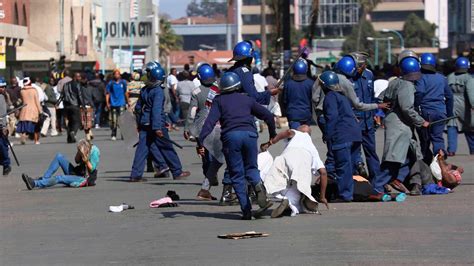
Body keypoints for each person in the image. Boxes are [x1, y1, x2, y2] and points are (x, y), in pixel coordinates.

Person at [199, 72, 275, 220]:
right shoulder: (247, 99)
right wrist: (272, 133)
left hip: (231, 137)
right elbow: (268, 116)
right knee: (252, 168)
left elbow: (209, 122)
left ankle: (246, 211)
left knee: (237, 174)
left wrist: (200, 140)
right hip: (250, 136)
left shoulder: (219, 100)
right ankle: (257, 185)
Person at [371, 50, 430, 199]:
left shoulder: (395, 82)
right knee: (393, 160)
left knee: (411, 156)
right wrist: (421, 121)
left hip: (396, 123)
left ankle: (396, 180)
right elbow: (407, 108)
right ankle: (377, 187)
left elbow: (381, 99)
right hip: (400, 126)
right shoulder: (407, 86)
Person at [129, 61, 190, 182]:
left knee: (142, 149)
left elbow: (137, 108)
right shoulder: (158, 91)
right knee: (167, 148)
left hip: (145, 124)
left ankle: (135, 175)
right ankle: (177, 171)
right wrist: (157, 128)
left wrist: (139, 123)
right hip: (156, 124)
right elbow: (156, 110)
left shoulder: (144, 89)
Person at [336, 52, 385, 181]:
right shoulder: (346, 78)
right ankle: (353, 182)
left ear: (363, 66)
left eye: (359, 67)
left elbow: (371, 96)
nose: (356, 70)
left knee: (371, 153)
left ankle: (377, 183)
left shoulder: (369, 75)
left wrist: (376, 114)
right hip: (353, 121)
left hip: (368, 121)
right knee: (352, 153)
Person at [260, 125, 328, 218]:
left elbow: (287, 132)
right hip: (304, 162)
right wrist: (322, 197)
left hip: (287, 156)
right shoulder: (313, 149)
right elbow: (323, 173)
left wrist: (271, 142)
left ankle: (270, 195)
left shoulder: (297, 133)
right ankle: (292, 204)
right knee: (298, 188)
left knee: (276, 179)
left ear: (299, 130)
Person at [321, 71, 362, 202]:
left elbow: (332, 117)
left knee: (343, 166)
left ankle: (345, 195)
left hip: (342, 136)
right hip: (355, 135)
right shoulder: (342, 96)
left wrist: (327, 134)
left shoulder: (330, 97)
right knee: (349, 166)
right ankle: (350, 192)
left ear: (324, 85)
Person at [415, 53, 454, 163]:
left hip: (425, 113)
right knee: (438, 138)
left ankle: (427, 163)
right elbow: (449, 96)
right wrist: (449, 114)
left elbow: (420, 92)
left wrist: (415, 106)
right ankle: (440, 158)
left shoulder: (419, 77)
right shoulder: (442, 78)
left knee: (425, 140)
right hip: (441, 112)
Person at [21, 139, 99, 190]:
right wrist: (79, 154)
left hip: (84, 179)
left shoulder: (94, 151)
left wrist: (86, 160)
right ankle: (45, 179)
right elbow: (76, 161)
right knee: (59, 157)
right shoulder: (83, 149)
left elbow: (92, 169)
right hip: (77, 172)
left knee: (59, 178)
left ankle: (35, 183)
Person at [228, 41, 279, 105]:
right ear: (249, 58)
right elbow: (253, 97)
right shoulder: (244, 73)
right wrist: (269, 93)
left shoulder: (231, 70)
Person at [446, 56, 474, 155]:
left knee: (452, 126)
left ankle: (451, 150)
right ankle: (472, 149)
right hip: (464, 105)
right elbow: (471, 93)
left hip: (452, 104)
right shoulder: (469, 78)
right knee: (470, 128)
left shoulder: (450, 76)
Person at [283, 59, 314, 129]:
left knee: (294, 137)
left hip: (292, 115)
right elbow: (313, 100)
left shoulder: (288, 84)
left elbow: (284, 101)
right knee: (305, 137)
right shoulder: (311, 83)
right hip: (306, 114)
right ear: (306, 70)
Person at [16, 77, 42, 145]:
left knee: (24, 125)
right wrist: (40, 111)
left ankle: (24, 135)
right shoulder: (34, 90)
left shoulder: (22, 91)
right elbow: (37, 102)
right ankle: (35, 140)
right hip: (33, 110)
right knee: (34, 126)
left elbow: (22, 100)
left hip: (24, 110)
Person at [63, 72, 85, 143]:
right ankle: (73, 132)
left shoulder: (65, 85)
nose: (80, 78)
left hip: (67, 106)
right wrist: (83, 105)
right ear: (75, 77)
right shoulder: (78, 85)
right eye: (79, 77)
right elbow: (80, 95)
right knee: (76, 121)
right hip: (75, 105)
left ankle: (69, 138)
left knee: (70, 122)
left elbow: (63, 95)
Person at [106, 69, 128, 140]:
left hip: (121, 103)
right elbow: (107, 93)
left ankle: (123, 134)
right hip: (113, 104)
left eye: (118, 74)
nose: (117, 75)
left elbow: (125, 92)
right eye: (115, 74)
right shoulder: (111, 83)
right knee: (114, 120)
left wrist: (128, 101)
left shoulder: (123, 82)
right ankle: (113, 134)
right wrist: (107, 103)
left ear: (120, 75)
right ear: (113, 75)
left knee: (122, 120)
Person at [0, 77, 12, 175]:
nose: (2, 89)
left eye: (4, 87)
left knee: (3, 145)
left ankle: (6, 164)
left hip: (1, 126)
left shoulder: (3, 96)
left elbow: (5, 111)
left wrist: (3, 126)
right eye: (1, 87)